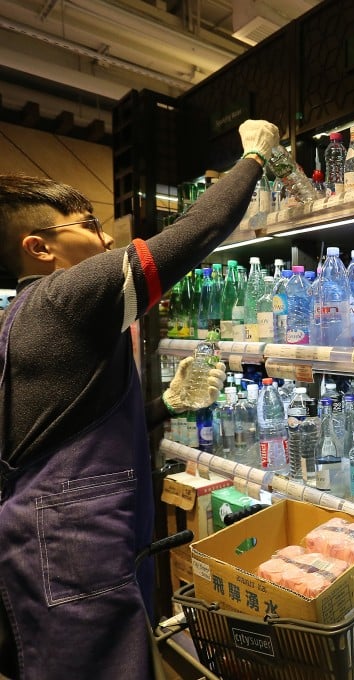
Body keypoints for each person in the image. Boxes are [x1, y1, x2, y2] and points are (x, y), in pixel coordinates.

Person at [0, 119, 280, 679]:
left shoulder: (20, 318)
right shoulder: (64, 298)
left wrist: (164, 407)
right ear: (39, 248)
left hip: (57, 545)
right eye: (89, 225)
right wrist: (252, 157)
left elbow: (61, 427)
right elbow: (199, 229)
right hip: (69, 550)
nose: (106, 240)